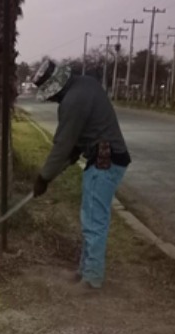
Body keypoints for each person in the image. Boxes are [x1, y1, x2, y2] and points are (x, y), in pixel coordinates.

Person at [30, 59, 131, 289]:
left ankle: (92, 279)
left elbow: (63, 144)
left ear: (56, 87)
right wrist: (67, 160)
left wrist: (44, 178)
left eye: (50, 94)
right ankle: (85, 271)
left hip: (105, 162)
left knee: (94, 221)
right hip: (104, 159)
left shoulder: (73, 100)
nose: (51, 99)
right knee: (91, 218)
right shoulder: (86, 84)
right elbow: (77, 141)